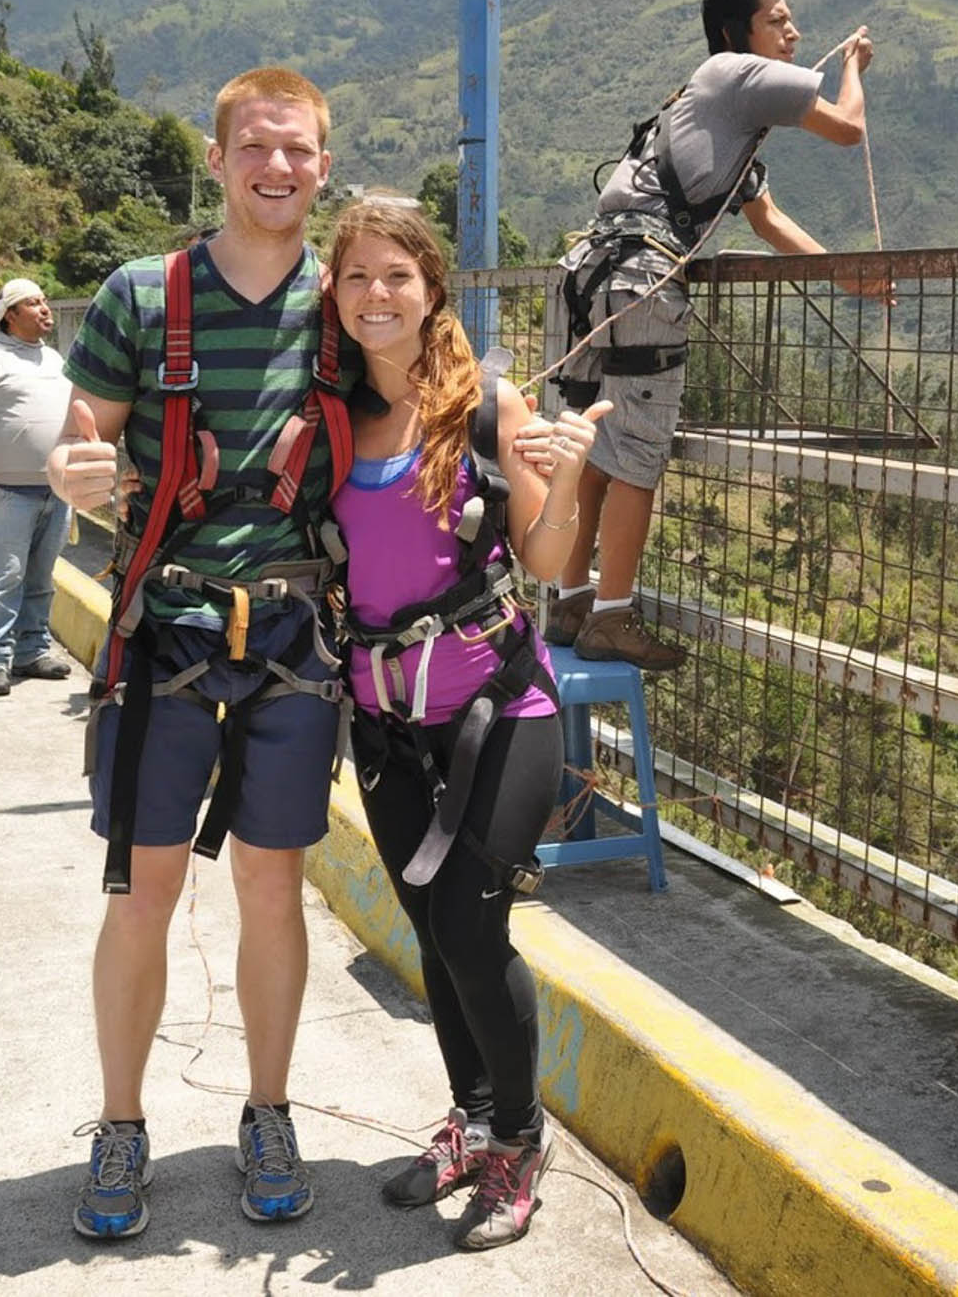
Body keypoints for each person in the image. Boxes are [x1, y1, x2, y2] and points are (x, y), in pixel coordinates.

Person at [46, 67, 354, 1240]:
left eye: (299, 152)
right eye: (258, 149)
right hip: (164, 629)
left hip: (290, 635)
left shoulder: (350, 298)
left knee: (272, 889)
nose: (279, 169)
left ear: (323, 166)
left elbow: (425, 407)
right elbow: (84, 445)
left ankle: (266, 1111)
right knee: (143, 889)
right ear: (219, 161)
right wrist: (73, 473)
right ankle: (122, 1125)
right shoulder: (139, 295)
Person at [329, 195, 609, 1251]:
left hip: (501, 709)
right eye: (356, 276)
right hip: (387, 721)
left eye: (396, 275)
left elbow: (542, 562)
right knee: (430, 938)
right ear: (336, 293)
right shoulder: (331, 419)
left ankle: (520, 1145)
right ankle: (475, 1115)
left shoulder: (485, 406)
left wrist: (570, 467)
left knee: (467, 923)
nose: (376, 296)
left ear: (431, 287)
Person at [546, 0, 882, 670]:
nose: (791, 30)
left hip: (589, 273)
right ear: (736, 33)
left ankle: (569, 600)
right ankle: (611, 617)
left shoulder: (711, 114)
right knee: (636, 454)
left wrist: (843, 277)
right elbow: (847, 127)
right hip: (640, 276)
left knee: (591, 450)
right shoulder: (737, 72)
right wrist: (854, 64)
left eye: (790, 18)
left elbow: (767, 222)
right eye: (776, 19)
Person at [0, 276, 75, 696]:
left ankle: (31, 651)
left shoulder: (55, 360)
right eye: (34, 303)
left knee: (41, 577)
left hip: (56, 489)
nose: (45, 309)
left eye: (45, 301)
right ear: (10, 315)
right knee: (7, 575)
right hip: (8, 490)